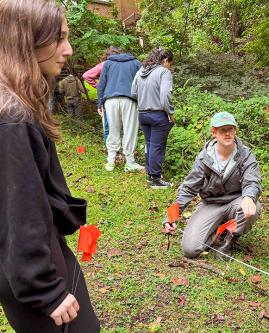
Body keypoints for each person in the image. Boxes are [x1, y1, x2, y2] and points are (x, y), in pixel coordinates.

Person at [0, 1, 100, 332]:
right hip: (31, 271)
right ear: (25, 40)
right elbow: (20, 209)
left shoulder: (15, 104)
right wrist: (46, 290)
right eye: (58, 39)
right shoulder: (14, 120)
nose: (68, 50)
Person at [162, 112, 262, 258]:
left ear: (235, 130)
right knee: (190, 249)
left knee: (254, 205)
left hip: (236, 202)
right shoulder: (204, 158)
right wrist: (170, 216)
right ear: (214, 132)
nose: (227, 133)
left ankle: (229, 240)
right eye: (222, 130)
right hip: (211, 204)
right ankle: (218, 228)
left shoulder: (246, 154)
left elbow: (252, 180)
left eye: (230, 129)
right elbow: (188, 189)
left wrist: (248, 196)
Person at [131, 48, 175, 189]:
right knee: (157, 146)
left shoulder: (140, 72)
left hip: (143, 114)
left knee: (150, 144)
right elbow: (165, 95)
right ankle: (156, 179)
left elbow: (133, 92)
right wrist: (170, 112)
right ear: (165, 60)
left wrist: (144, 101)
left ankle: (151, 175)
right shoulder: (164, 72)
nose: (170, 67)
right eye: (170, 63)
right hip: (158, 115)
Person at [97, 49, 143, 172]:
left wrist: (100, 103)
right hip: (129, 100)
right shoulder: (136, 63)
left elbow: (101, 84)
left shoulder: (108, 63)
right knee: (130, 130)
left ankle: (110, 161)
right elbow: (142, 83)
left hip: (110, 101)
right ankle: (130, 162)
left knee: (112, 130)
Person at [83, 46, 122, 143]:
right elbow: (87, 75)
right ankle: (117, 150)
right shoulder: (119, 65)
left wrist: (100, 86)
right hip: (122, 97)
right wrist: (100, 86)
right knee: (119, 124)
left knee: (108, 124)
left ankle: (111, 151)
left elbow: (86, 75)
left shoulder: (104, 64)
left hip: (108, 97)